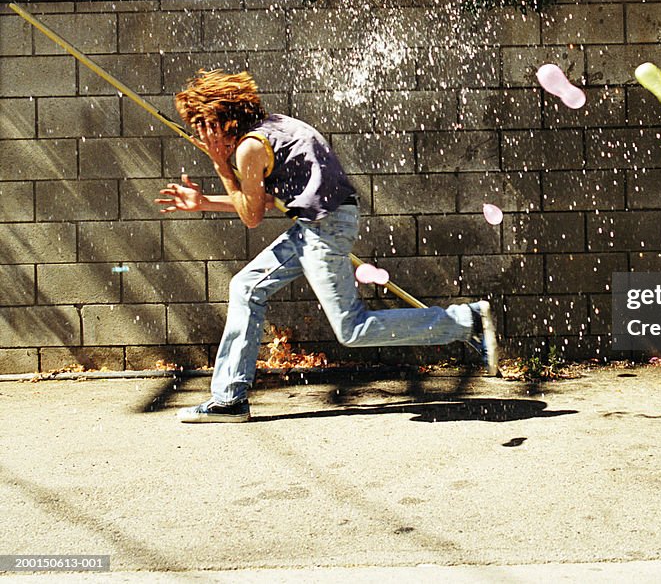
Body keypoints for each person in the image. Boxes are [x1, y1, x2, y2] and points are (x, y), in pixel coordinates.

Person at [156, 69, 498, 423]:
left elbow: (252, 216)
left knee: (353, 330)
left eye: (201, 127)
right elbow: (269, 200)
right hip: (317, 224)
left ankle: (466, 320)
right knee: (246, 286)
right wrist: (203, 202)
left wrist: (221, 168)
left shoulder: (249, 149)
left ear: (219, 122)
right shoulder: (276, 127)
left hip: (324, 229)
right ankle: (228, 399)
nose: (201, 136)